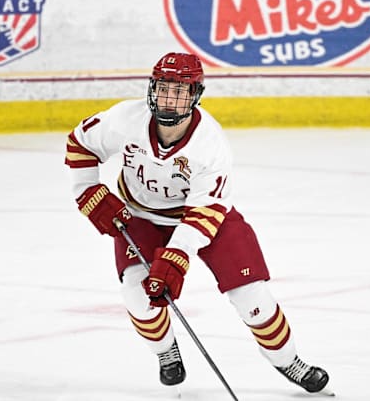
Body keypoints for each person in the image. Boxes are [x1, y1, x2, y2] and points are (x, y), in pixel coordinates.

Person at [65, 52, 332, 395]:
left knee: (254, 297)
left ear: (195, 95)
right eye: (164, 89)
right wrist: (87, 190)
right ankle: (166, 352)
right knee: (136, 294)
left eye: (180, 91)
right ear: (151, 89)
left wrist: (176, 256)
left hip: (206, 219)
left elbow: (205, 211)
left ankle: (288, 360)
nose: (170, 99)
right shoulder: (123, 120)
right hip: (141, 216)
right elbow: (80, 143)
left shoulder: (210, 144)